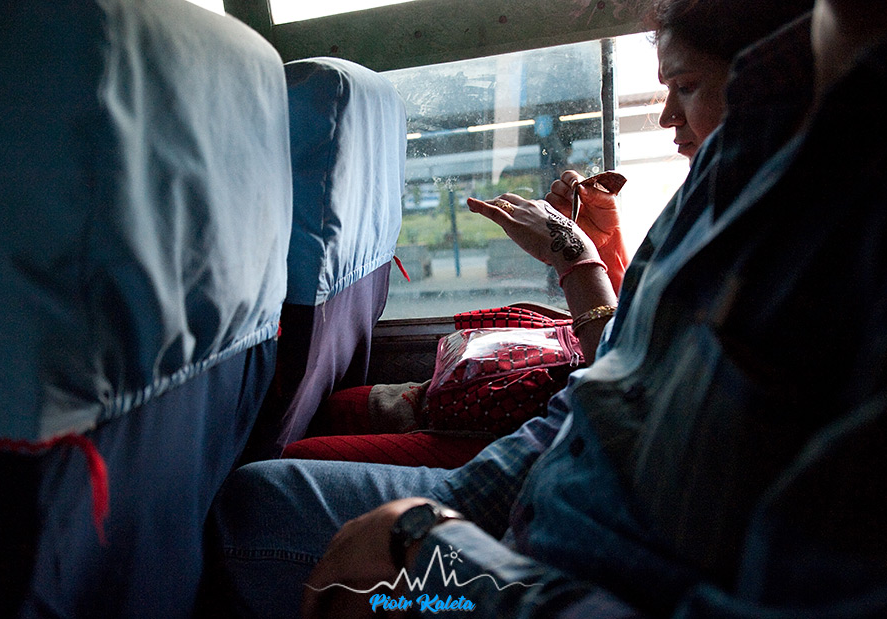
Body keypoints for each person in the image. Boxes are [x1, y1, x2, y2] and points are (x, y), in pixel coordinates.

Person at [207, 1, 887, 617]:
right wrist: (459, 504)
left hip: (576, 574)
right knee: (258, 497)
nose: (667, 118)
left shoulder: (851, 230)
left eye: (684, 86)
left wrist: (431, 545)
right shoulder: (740, 148)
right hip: (549, 492)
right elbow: (605, 388)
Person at [549, 0, 815, 295]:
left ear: (759, 80)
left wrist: (575, 259)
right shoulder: (716, 195)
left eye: (687, 87)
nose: (667, 118)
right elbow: (651, 319)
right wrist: (606, 249)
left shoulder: (785, 215)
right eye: (668, 89)